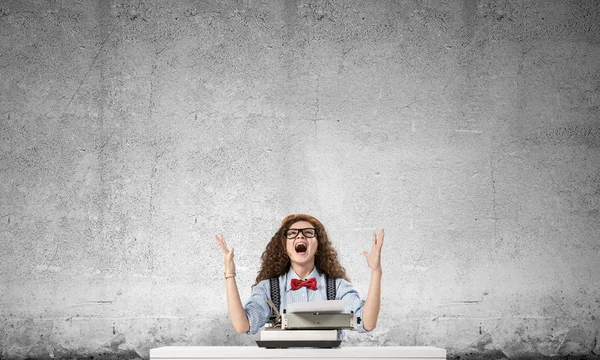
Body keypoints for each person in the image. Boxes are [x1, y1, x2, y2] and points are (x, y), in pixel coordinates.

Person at [215, 214, 384, 334]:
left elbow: (366, 323)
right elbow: (243, 326)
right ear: (284, 246)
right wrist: (230, 274)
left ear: (318, 245)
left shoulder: (337, 287)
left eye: (308, 233)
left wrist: (376, 271)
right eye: (292, 233)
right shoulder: (268, 289)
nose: (300, 236)